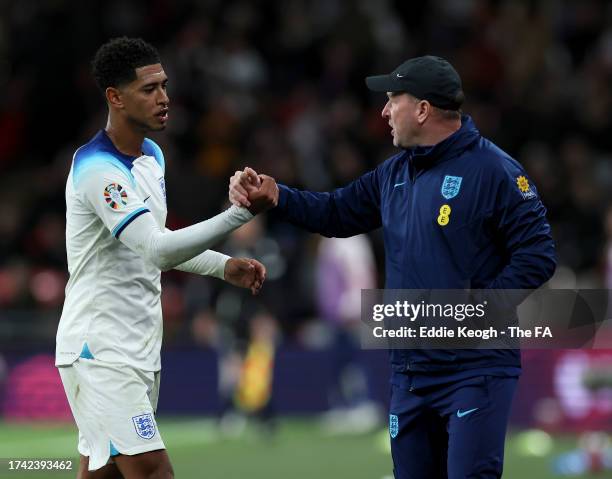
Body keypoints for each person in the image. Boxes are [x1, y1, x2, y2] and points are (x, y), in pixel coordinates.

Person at [229, 55, 556, 478]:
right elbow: (335, 213)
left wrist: (477, 310)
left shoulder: (495, 171)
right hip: (411, 373)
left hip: (475, 370)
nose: (383, 112)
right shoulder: (394, 174)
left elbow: (538, 255)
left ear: (422, 109)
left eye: (391, 100)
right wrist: (277, 196)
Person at [55, 37, 274, 479]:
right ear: (115, 97)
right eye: (149, 89)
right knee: (154, 471)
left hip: (137, 347)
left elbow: (155, 242)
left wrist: (221, 266)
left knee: (108, 474)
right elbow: (156, 248)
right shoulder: (97, 169)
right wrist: (239, 215)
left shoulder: (152, 156)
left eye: (164, 85)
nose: (164, 97)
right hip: (100, 349)